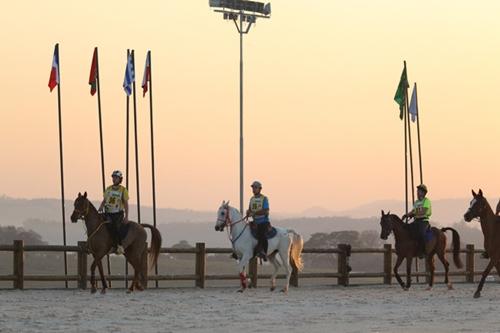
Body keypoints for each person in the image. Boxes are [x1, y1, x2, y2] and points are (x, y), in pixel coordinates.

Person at [98, 170, 129, 255]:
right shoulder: (108, 189)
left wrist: (126, 216)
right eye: (113, 177)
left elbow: (126, 203)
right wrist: (101, 206)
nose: (114, 179)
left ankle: (118, 246)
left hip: (118, 214)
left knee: (115, 228)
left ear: (120, 179)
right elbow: (104, 200)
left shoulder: (123, 190)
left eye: (116, 178)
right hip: (108, 212)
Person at [402, 184, 432, 258]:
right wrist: (407, 215)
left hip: (423, 221)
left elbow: (423, 211)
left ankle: (423, 251)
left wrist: (414, 213)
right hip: (416, 221)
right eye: (417, 191)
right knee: (407, 230)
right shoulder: (416, 202)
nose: (417, 193)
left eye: (419, 191)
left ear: (423, 193)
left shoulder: (426, 201)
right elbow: (413, 211)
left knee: (421, 234)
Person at [246, 181, 270, 261]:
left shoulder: (264, 199)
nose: (253, 189)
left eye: (255, 188)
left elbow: (266, 211)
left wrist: (254, 213)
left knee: (262, 235)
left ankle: (264, 252)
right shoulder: (252, 199)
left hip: (263, 222)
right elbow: (250, 210)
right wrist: (248, 215)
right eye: (253, 188)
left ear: (260, 189)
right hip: (254, 222)